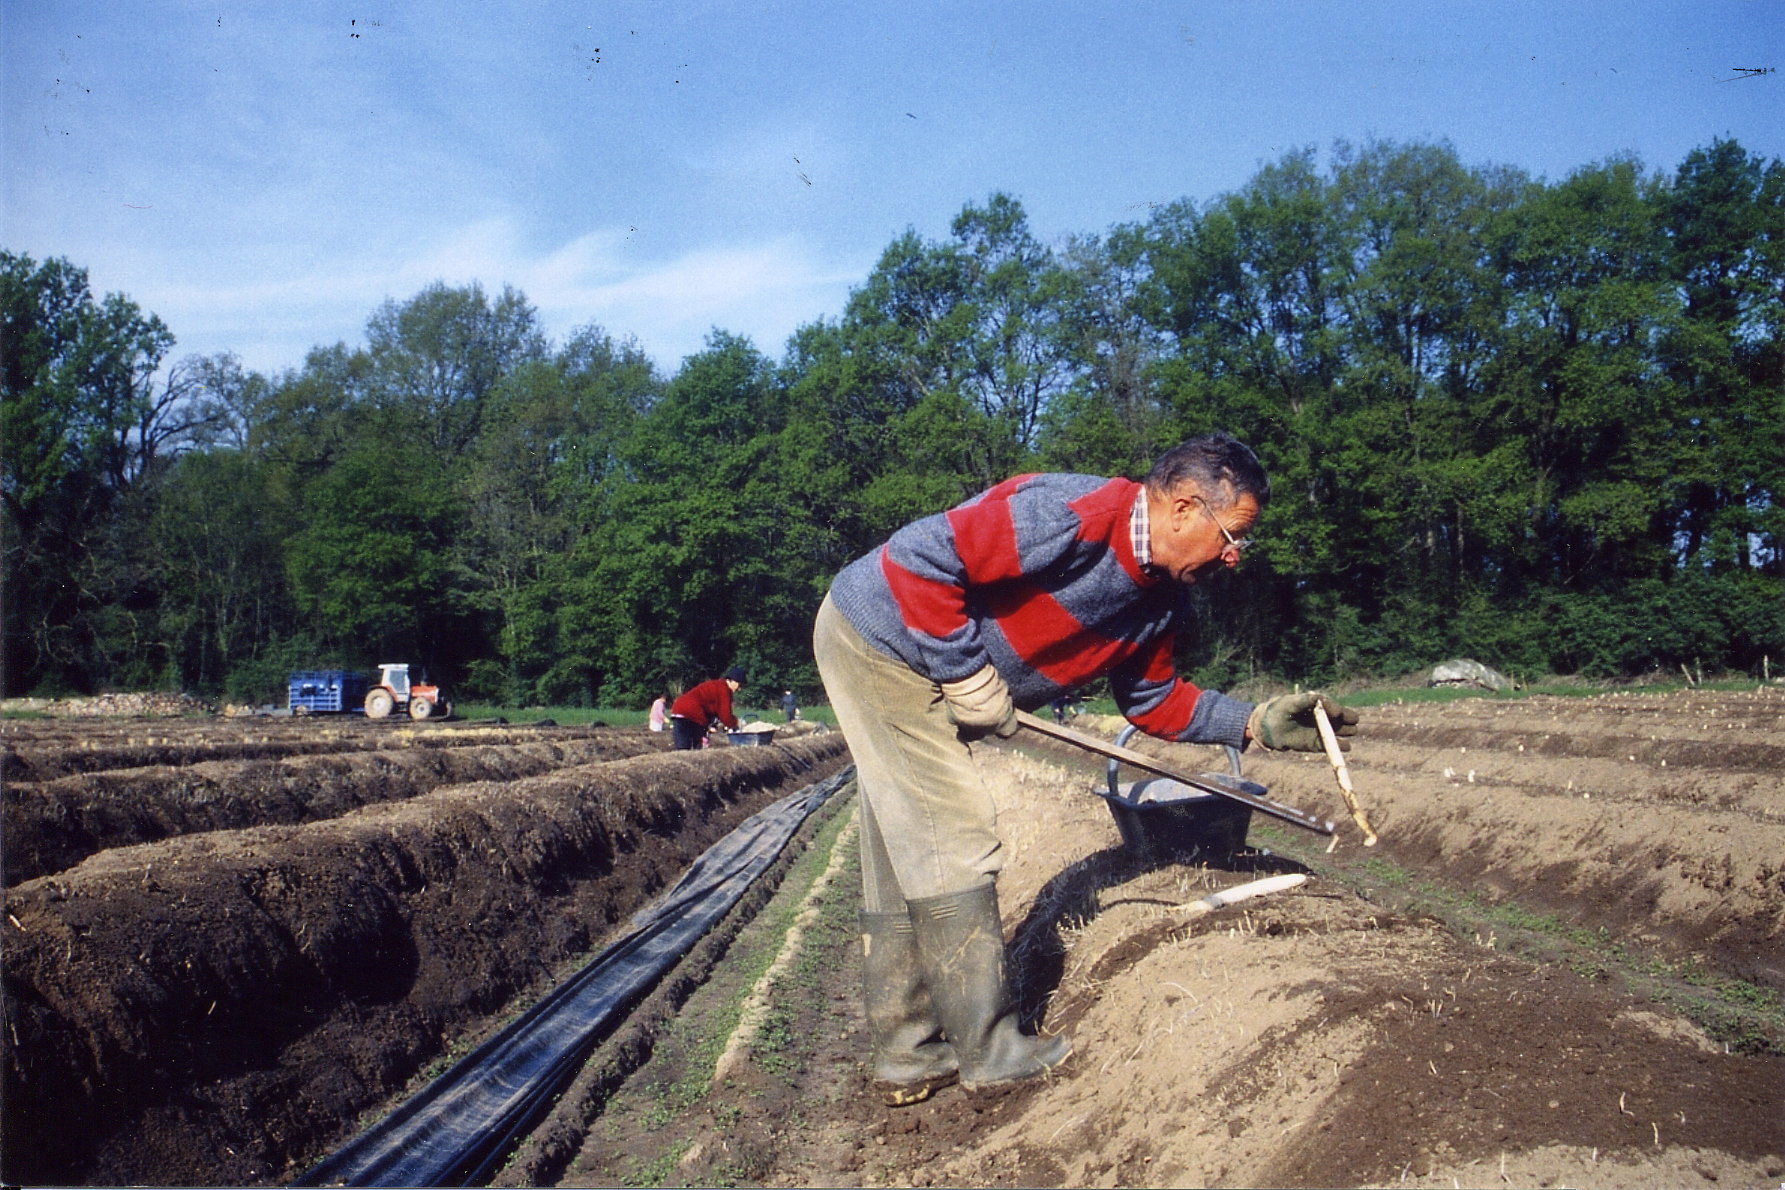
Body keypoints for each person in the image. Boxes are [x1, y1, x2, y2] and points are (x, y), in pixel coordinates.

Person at [813, 433, 1359, 1106]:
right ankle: (989, 1050)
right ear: (1184, 507)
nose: (1233, 556)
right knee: (949, 835)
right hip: (881, 640)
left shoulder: (1161, 601)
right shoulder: (1070, 514)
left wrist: (1256, 723)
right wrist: (966, 671)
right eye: (1230, 535)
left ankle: (907, 1054)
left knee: (902, 850)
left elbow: (1155, 701)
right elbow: (918, 560)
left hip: (921, 663)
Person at [668, 667, 743, 750]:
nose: (739, 689)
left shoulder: (716, 685)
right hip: (693, 713)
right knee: (698, 747)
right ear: (733, 681)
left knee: (682, 748)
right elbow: (725, 716)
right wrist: (736, 723)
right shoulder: (724, 690)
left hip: (678, 709)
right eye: (739, 685)